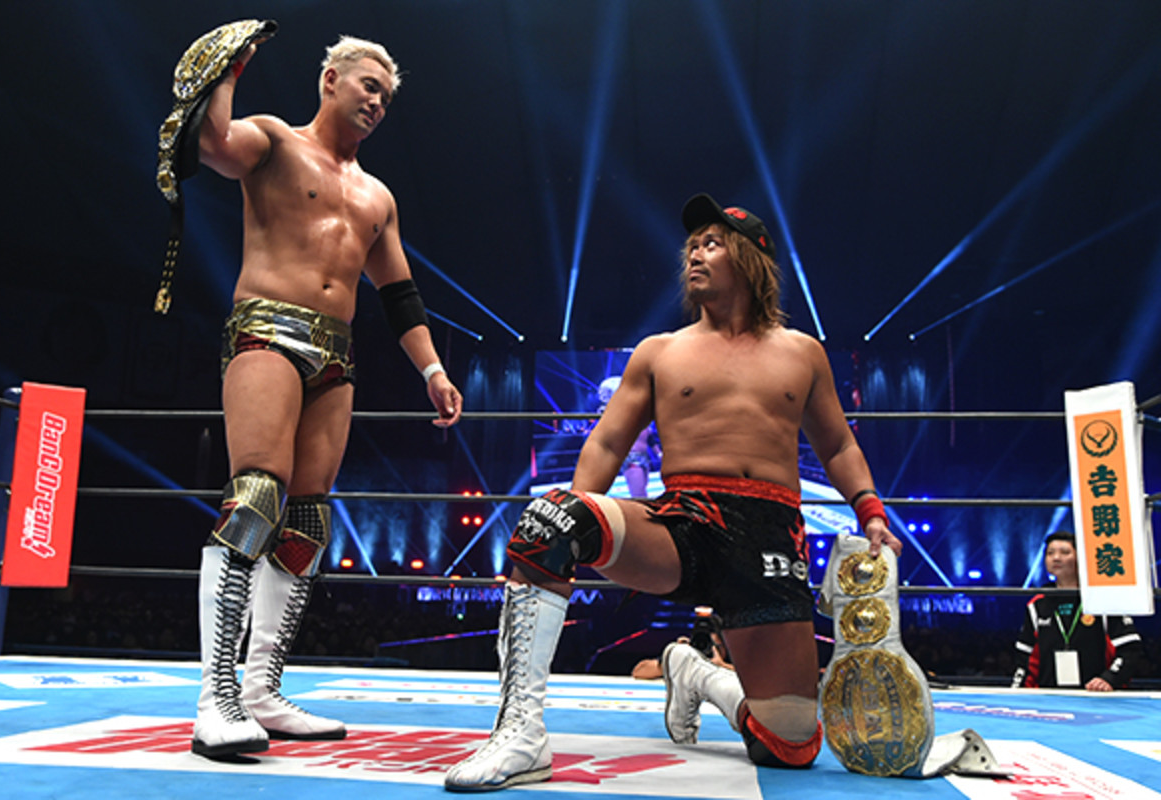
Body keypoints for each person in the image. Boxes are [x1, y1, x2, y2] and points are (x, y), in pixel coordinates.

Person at [444, 193, 900, 790]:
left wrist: (870, 514)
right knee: (548, 521)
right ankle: (519, 732)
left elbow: (839, 446)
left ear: (750, 258)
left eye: (711, 244)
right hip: (683, 523)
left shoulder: (801, 354)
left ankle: (693, 672)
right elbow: (607, 445)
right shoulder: (660, 352)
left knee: (788, 746)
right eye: (691, 246)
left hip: (768, 539)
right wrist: (581, 513)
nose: (694, 255)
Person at [184, 32, 463, 758]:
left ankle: (260, 690)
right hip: (267, 332)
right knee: (255, 499)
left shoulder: (378, 196)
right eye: (368, 85)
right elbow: (212, 145)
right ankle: (214, 697)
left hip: (335, 356)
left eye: (387, 96)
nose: (377, 101)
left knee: (306, 521)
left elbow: (399, 296)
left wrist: (433, 371)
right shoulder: (275, 140)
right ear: (331, 80)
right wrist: (227, 72)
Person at [1011, 530, 1145, 691]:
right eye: (1050, 553)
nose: (1056, 558)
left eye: (1065, 552)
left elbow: (1130, 649)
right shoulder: (1037, 605)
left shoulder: (1102, 598)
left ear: (1080, 557)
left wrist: (1109, 679)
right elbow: (1024, 659)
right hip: (1049, 696)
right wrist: (1016, 692)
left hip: (1097, 696)